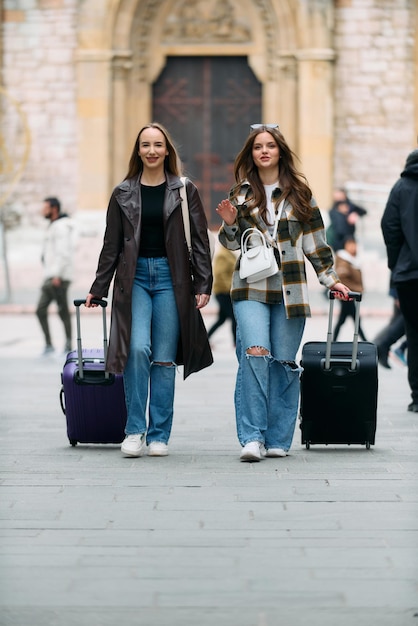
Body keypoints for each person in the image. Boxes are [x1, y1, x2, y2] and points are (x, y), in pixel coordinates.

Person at [216, 123, 351, 462]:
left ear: (280, 152)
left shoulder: (301, 195)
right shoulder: (241, 193)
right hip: (250, 287)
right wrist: (231, 222)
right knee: (255, 353)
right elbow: (230, 244)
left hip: (291, 290)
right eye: (258, 146)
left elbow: (316, 244)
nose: (264, 151)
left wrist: (331, 279)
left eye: (270, 146)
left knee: (285, 364)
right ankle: (251, 437)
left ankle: (278, 438)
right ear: (251, 154)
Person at [85, 122, 213, 457]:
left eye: (158, 145)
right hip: (134, 278)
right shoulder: (122, 192)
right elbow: (111, 244)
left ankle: (159, 435)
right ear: (138, 151)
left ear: (167, 150)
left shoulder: (184, 190)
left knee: (164, 359)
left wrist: (203, 282)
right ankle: (134, 431)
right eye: (146, 145)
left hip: (174, 280)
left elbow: (200, 240)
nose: (152, 151)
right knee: (137, 349)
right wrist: (99, 287)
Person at [381, 148, 418, 413]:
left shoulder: (401, 187)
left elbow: (389, 227)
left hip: (409, 276)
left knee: (414, 334)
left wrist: (397, 264)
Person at [36, 196, 75, 355]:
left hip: (58, 277)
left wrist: (57, 275)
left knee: (61, 311)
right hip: (51, 276)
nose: (42, 211)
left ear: (54, 209)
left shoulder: (61, 227)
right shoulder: (53, 226)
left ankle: (67, 345)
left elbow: (63, 253)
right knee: (43, 310)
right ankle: (50, 344)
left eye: (45, 208)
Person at [332, 236, 367, 341]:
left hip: (351, 293)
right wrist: (358, 289)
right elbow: (343, 277)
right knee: (356, 320)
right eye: (350, 244)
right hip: (347, 294)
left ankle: (333, 341)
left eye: (354, 244)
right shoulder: (344, 259)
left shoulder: (353, 260)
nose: (353, 247)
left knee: (345, 320)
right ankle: (367, 342)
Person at [207, 246, 237, 346]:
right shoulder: (223, 255)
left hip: (226, 291)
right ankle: (236, 342)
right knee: (233, 317)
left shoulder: (229, 254)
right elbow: (220, 274)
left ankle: (206, 339)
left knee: (221, 319)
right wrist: (230, 287)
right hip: (223, 292)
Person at [374, 284, 407, 369]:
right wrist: (397, 295)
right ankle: (381, 345)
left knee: (396, 324)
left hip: (403, 289)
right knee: (403, 323)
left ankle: (378, 345)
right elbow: (397, 271)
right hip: (404, 290)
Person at [327, 188, 367, 252]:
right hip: (337, 239)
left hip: (350, 238)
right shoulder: (333, 210)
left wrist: (354, 214)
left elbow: (363, 211)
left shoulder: (350, 206)